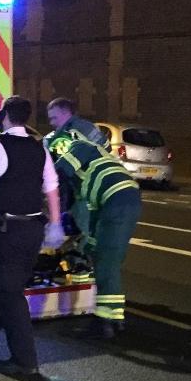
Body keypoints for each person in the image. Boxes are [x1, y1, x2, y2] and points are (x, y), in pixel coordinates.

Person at [0, 96, 66, 377]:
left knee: (10, 294)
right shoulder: (38, 148)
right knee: (4, 289)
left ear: (3, 115)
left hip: (6, 232)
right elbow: (51, 187)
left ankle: (25, 360)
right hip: (32, 230)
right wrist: (55, 224)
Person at [55, 137, 141, 339]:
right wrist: (88, 244)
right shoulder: (91, 175)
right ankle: (116, 317)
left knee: (107, 262)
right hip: (125, 200)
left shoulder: (80, 146)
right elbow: (91, 216)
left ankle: (103, 323)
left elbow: (59, 171)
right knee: (107, 256)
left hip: (117, 200)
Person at [43, 97, 108, 159]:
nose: (51, 123)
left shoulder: (68, 134)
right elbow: (107, 147)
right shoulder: (88, 125)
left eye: (54, 118)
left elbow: (60, 163)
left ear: (66, 113)